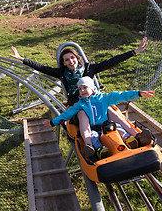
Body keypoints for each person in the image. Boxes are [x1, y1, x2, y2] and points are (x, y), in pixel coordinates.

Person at [10, 37, 149, 146]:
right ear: (63, 63)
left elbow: (111, 62)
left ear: (77, 58)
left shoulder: (89, 69)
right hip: (79, 106)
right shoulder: (62, 73)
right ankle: (89, 144)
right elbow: (41, 67)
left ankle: (134, 135)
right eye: (67, 60)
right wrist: (22, 59)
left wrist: (134, 52)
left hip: (95, 102)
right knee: (83, 114)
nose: (71, 61)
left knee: (111, 111)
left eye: (72, 58)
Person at [43, 76, 155, 159]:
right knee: (94, 137)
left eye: (84, 88)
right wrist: (53, 123)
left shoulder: (104, 98)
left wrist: (139, 93)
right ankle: (97, 150)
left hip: (108, 124)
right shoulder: (80, 104)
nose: (82, 91)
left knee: (119, 129)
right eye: (80, 89)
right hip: (94, 128)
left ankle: (134, 138)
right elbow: (66, 115)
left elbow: (120, 95)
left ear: (92, 88)